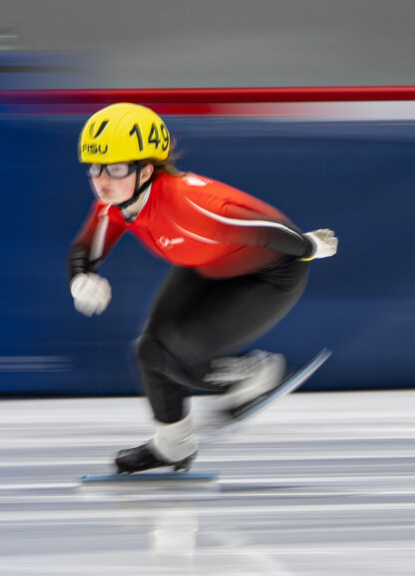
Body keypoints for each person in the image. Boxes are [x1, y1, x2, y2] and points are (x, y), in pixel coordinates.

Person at [67, 103, 337, 474]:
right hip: (209, 264)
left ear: (146, 169)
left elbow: (264, 229)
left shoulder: (188, 206)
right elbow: (86, 250)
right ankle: (173, 445)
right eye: (94, 168)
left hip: (270, 274)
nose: (102, 180)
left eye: (115, 168)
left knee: (177, 355)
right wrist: (81, 278)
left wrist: (309, 246)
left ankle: (254, 374)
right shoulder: (113, 205)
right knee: (149, 351)